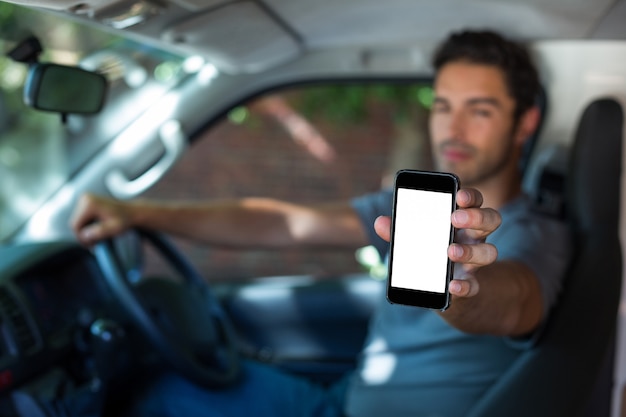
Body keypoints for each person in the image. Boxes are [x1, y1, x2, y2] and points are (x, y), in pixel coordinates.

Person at [70, 30, 571, 417]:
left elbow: (512, 304)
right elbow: (286, 225)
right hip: (341, 400)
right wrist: (134, 212)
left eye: (479, 111)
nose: (452, 128)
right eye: (442, 106)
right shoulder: (414, 212)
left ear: (524, 122)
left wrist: (459, 286)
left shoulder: (540, 234)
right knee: (162, 388)